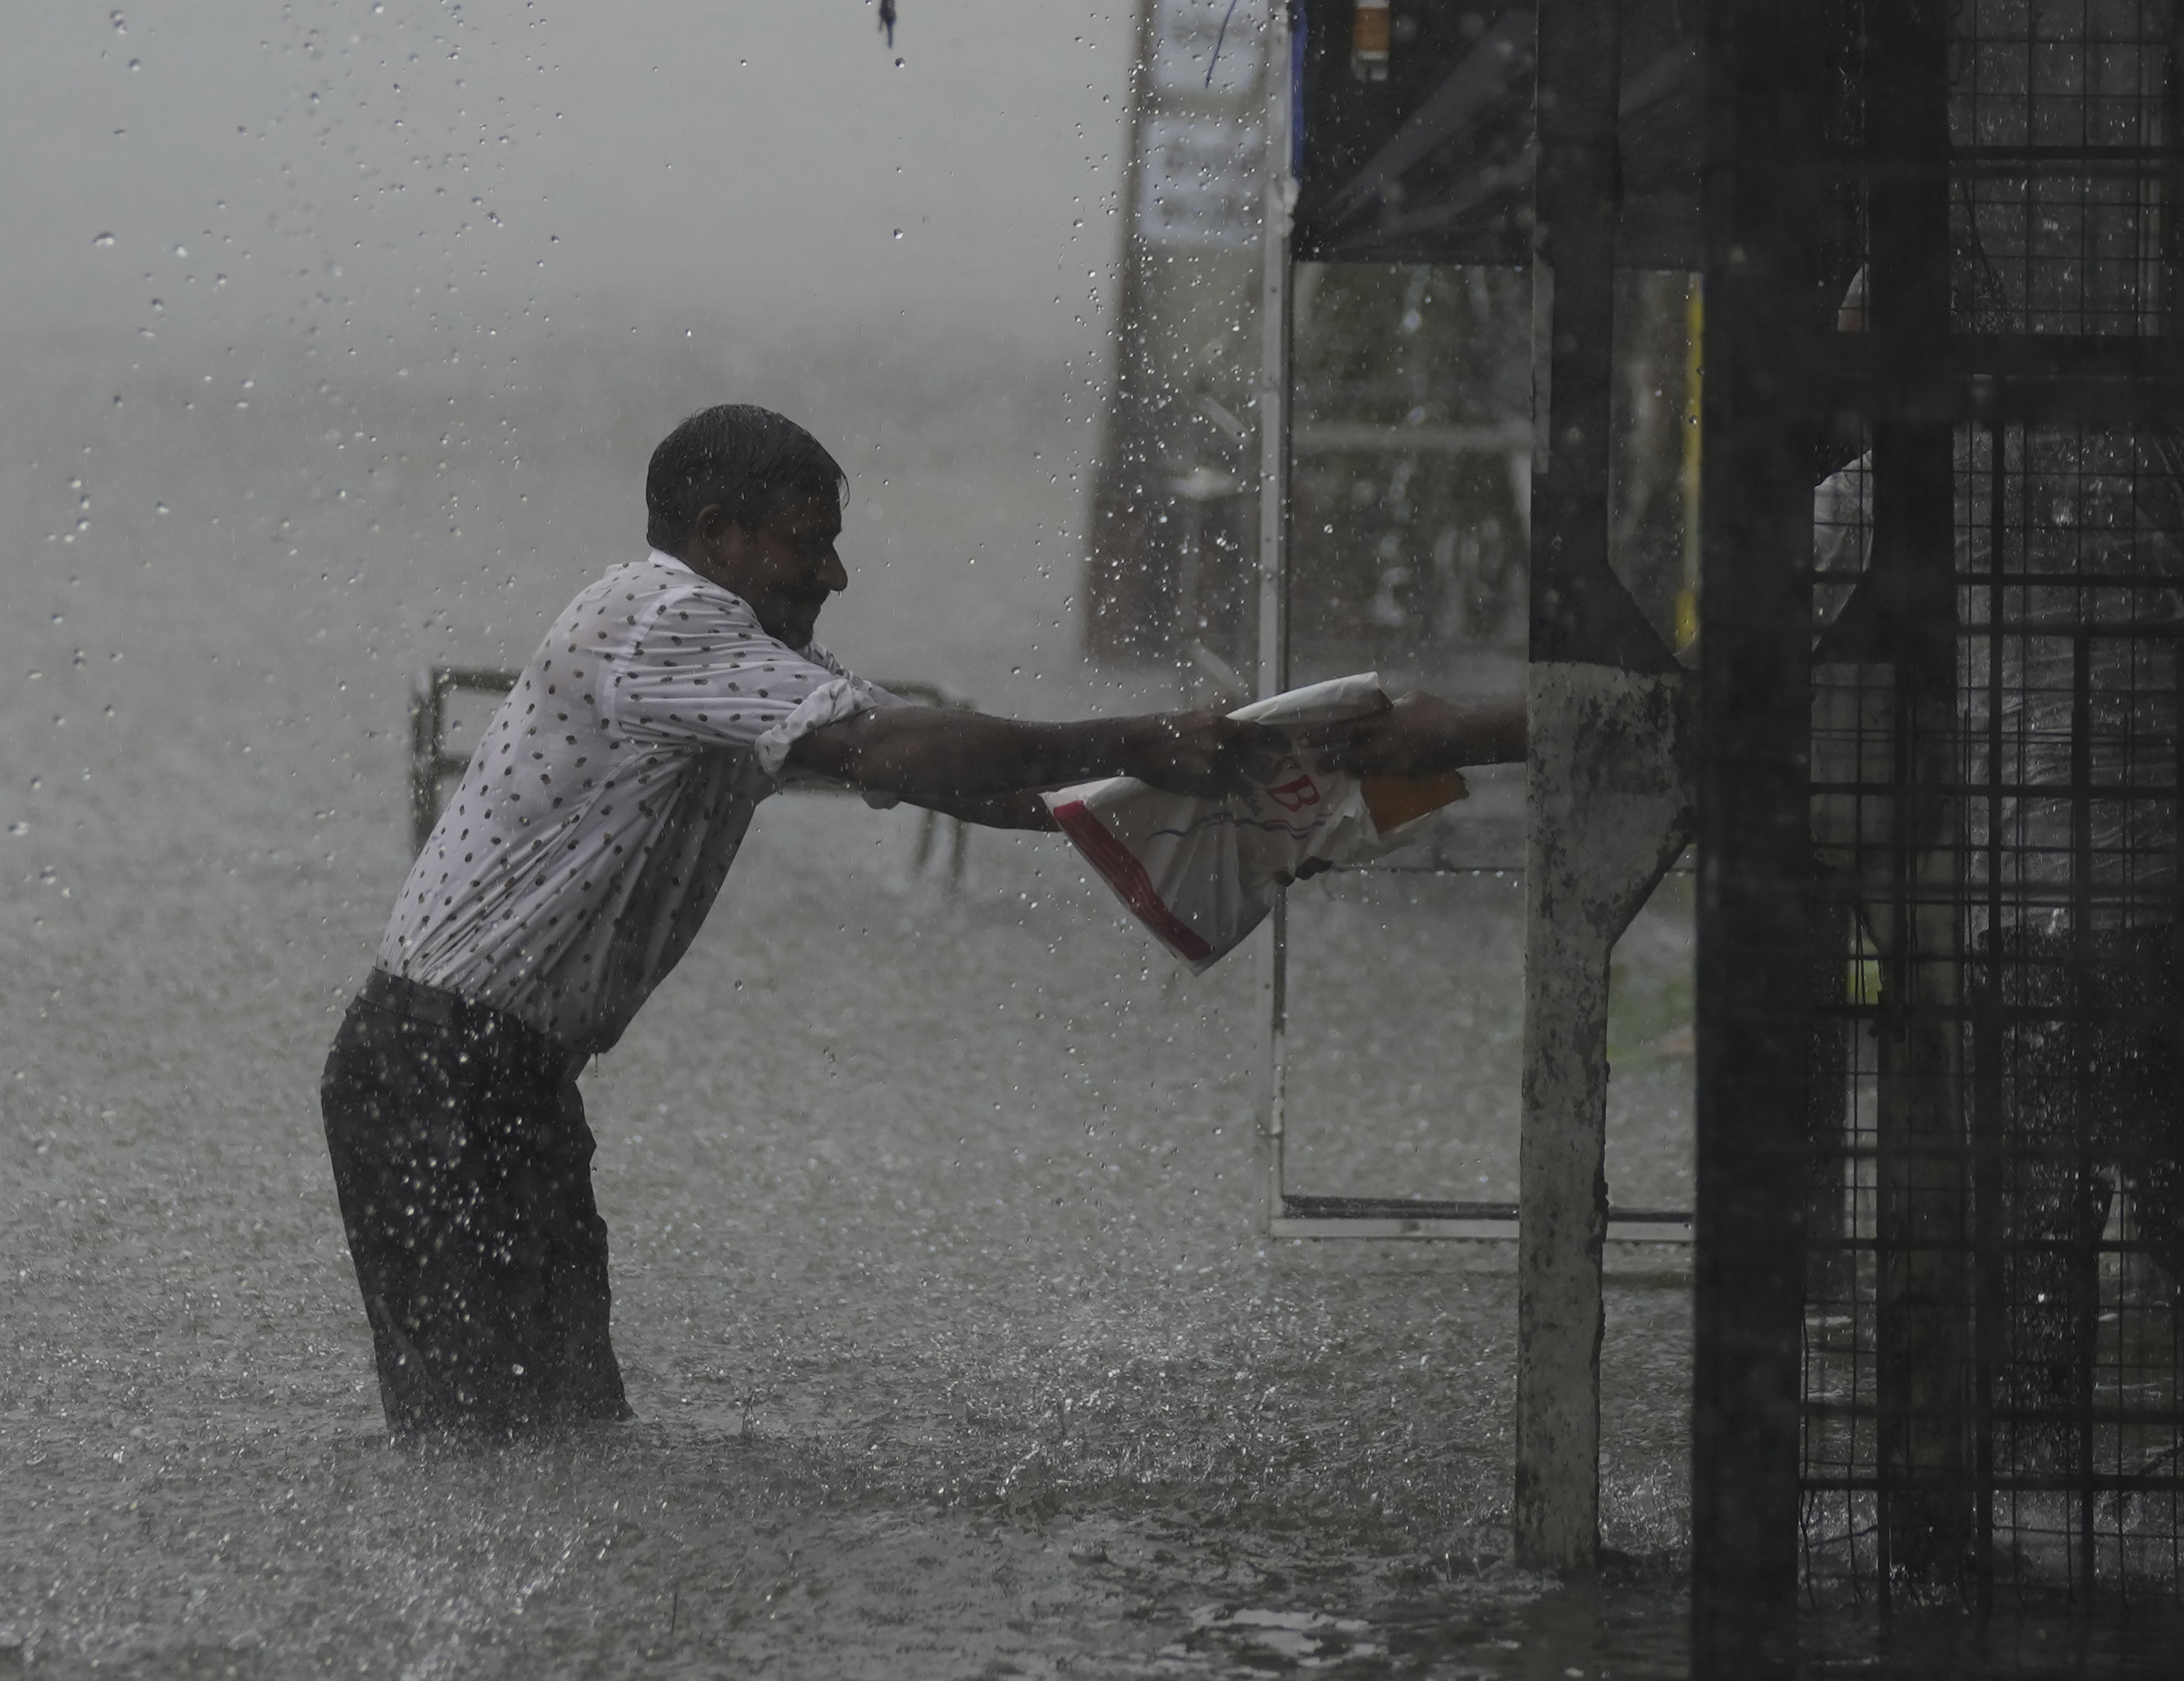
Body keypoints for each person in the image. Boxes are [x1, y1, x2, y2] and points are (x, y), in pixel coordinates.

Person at [321, 404, 1525, 1441]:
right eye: (807, 544)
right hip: (437, 1071)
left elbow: (971, 781)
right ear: (714, 539)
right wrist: (1133, 738)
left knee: (562, 1430)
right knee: (477, 1446)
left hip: (503, 1079)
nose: (833, 575)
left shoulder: (739, 658)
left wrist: (1245, 816)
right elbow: (893, 746)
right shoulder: (662, 618)